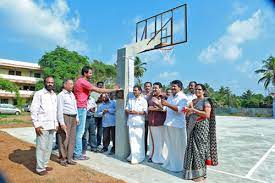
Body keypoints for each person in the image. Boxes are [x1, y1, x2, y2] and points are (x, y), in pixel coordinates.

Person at [73, 66, 119, 160]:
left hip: (81, 107)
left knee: (80, 132)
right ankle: (77, 153)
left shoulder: (79, 81)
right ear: (85, 73)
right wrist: (114, 90)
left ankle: (77, 151)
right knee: (80, 132)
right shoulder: (83, 81)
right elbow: (98, 90)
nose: (91, 74)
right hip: (81, 107)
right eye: (90, 73)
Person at [183, 84, 218, 182]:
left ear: (203, 91)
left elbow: (207, 114)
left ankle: (200, 175)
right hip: (192, 127)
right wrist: (188, 111)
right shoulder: (193, 101)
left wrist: (193, 110)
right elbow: (188, 113)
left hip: (202, 128)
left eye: (199, 89)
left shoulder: (206, 101)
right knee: (191, 149)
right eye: (196, 89)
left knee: (200, 150)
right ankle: (191, 173)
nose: (197, 91)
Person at [30, 76, 58, 176]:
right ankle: (39, 168)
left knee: (48, 147)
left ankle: (44, 165)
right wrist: (36, 125)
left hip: (52, 125)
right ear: (44, 83)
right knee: (41, 147)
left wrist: (56, 123)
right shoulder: (39, 94)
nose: (50, 84)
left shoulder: (54, 95)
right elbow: (34, 110)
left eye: (52, 82)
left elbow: (55, 110)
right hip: (42, 125)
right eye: (48, 82)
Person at [161, 80, 188, 172]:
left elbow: (180, 110)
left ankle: (180, 166)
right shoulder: (170, 97)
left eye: (174, 86)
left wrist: (167, 104)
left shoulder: (183, 98)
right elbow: (165, 108)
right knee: (171, 146)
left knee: (179, 146)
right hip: (168, 124)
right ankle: (171, 163)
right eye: (171, 86)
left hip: (178, 125)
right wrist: (159, 103)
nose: (172, 88)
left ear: (180, 88)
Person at [56, 79, 79, 166]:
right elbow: (59, 110)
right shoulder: (61, 95)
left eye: (72, 84)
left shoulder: (72, 94)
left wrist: (77, 117)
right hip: (65, 117)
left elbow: (74, 106)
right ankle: (63, 159)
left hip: (73, 117)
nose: (72, 86)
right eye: (70, 84)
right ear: (65, 85)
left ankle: (69, 158)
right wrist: (61, 122)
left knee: (72, 139)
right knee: (64, 138)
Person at [125, 85, 148, 164]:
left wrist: (137, 112)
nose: (134, 92)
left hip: (139, 123)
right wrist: (129, 111)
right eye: (133, 90)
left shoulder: (143, 100)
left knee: (139, 140)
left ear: (140, 91)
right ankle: (133, 155)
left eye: (136, 90)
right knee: (132, 140)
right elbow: (126, 108)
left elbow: (145, 112)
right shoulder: (130, 100)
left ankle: (140, 157)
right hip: (131, 122)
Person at [147, 82, 166, 164]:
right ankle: (152, 156)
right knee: (152, 141)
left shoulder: (164, 97)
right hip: (152, 122)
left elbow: (164, 109)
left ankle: (159, 157)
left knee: (160, 141)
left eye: (156, 88)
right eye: (153, 88)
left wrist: (155, 108)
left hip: (161, 122)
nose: (154, 89)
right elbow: (147, 107)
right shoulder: (150, 98)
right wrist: (154, 108)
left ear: (160, 89)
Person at [90, 81, 104, 147]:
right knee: (93, 130)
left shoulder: (104, 93)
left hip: (102, 115)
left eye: (102, 85)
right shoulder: (93, 93)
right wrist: (100, 99)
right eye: (99, 85)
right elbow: (92, 103)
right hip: (95, 114)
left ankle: (98, 143)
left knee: (100, 130)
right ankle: (92, 143)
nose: (100, 86)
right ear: (97, 86)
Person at [143, 81, 152, 155]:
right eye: (146, 86)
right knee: (144, 135)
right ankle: (144, 150)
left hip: (153, 119)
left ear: (151, 87)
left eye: (148, 86)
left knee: (153, 137)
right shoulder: (142, 96)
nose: (147, 87)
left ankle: (153, 152)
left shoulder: (155, 95)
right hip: (145, 119)